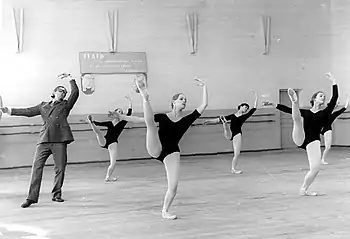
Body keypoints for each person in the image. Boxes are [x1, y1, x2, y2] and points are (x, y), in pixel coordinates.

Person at [116, 73, 208, 220]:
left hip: (172, 152)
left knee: (173, 186)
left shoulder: (187, 120)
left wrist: (204, 87)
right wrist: (122, 117)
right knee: (150, 125)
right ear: (173, 102)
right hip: (156, 147)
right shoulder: (163, 117)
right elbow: (139, 119)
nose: (184, 101)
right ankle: (145, 99)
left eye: (185, 100)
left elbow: (203, 105)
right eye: (181, 99)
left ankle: (165, 211)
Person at [1, 73, 79, 208]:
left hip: (59, 141)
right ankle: (31, 198)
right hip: (44, 141)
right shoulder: (43, 106)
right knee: (36, 168)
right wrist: (9, 110)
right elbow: (28, 111)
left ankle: (57, 194)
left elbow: (75, 92)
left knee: (60, 168)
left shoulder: (65, 106)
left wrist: (70, 78)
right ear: (54, 93)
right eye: (60, 90)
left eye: (64, 92)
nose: (63, 93)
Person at [276, 72, 338, 196]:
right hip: (301, 137)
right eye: (320, 96)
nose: (323, 98)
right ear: (314, 99)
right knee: (297, 120)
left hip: (313, 141)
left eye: (323, 97)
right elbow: (287, 110)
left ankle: (303, 189)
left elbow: (334, 99)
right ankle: (294, 101)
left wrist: (334, 82)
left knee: (315, 169)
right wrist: (275, 105)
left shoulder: (325, 113)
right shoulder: (306, 112)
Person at [205, 91, 258, 174]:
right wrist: (209, 121)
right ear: (240, 107)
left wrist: (256, 97)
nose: (246, 109)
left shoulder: (244, 116)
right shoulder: (232, 116)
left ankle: (233, 169)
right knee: (225, 125)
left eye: (247, 109)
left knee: (237, 154)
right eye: (245, 107)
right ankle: (225, 123)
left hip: (237, 135)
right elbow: (217, 120)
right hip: (229, 134)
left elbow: (254, 109)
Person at [87, 96, 133, 182]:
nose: (119, 113)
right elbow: (99, 123)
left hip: (113, 143)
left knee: (113, 163)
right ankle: (91, 123)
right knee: (99, 133)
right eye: (118, 111)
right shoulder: (109, 123)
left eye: (121, 112)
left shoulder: (122, 122)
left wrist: (130, 102)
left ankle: (108, 177)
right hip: (104, 141)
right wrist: (91, 121)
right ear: (114, 113)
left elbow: (129, 113)